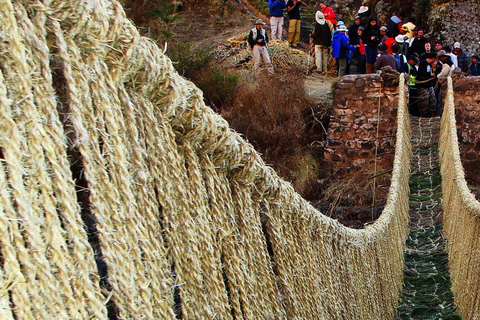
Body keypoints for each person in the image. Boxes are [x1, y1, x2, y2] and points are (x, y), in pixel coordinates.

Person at [416, 52, 440, 117]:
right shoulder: (422, 63)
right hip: (423, 86)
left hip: (430, 85)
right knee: (424, 103)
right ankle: (422, 117)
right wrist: (429, 75)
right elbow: (420, 74)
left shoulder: (431, 65)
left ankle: (433, 116)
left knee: (433, 101)